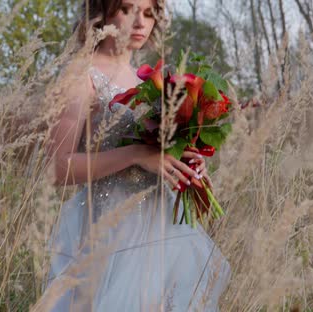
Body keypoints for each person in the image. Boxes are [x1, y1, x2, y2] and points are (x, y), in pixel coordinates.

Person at [41, 0, 231, 310]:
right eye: (128, 9)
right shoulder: (81, 75)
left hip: (161, 229)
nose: (140, 22)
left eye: (148, 12)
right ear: (102, 11)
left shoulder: (148, 79)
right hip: (108, 230)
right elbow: (57, 168)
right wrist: (135, 154)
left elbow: (156, 153)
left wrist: (183, 161)